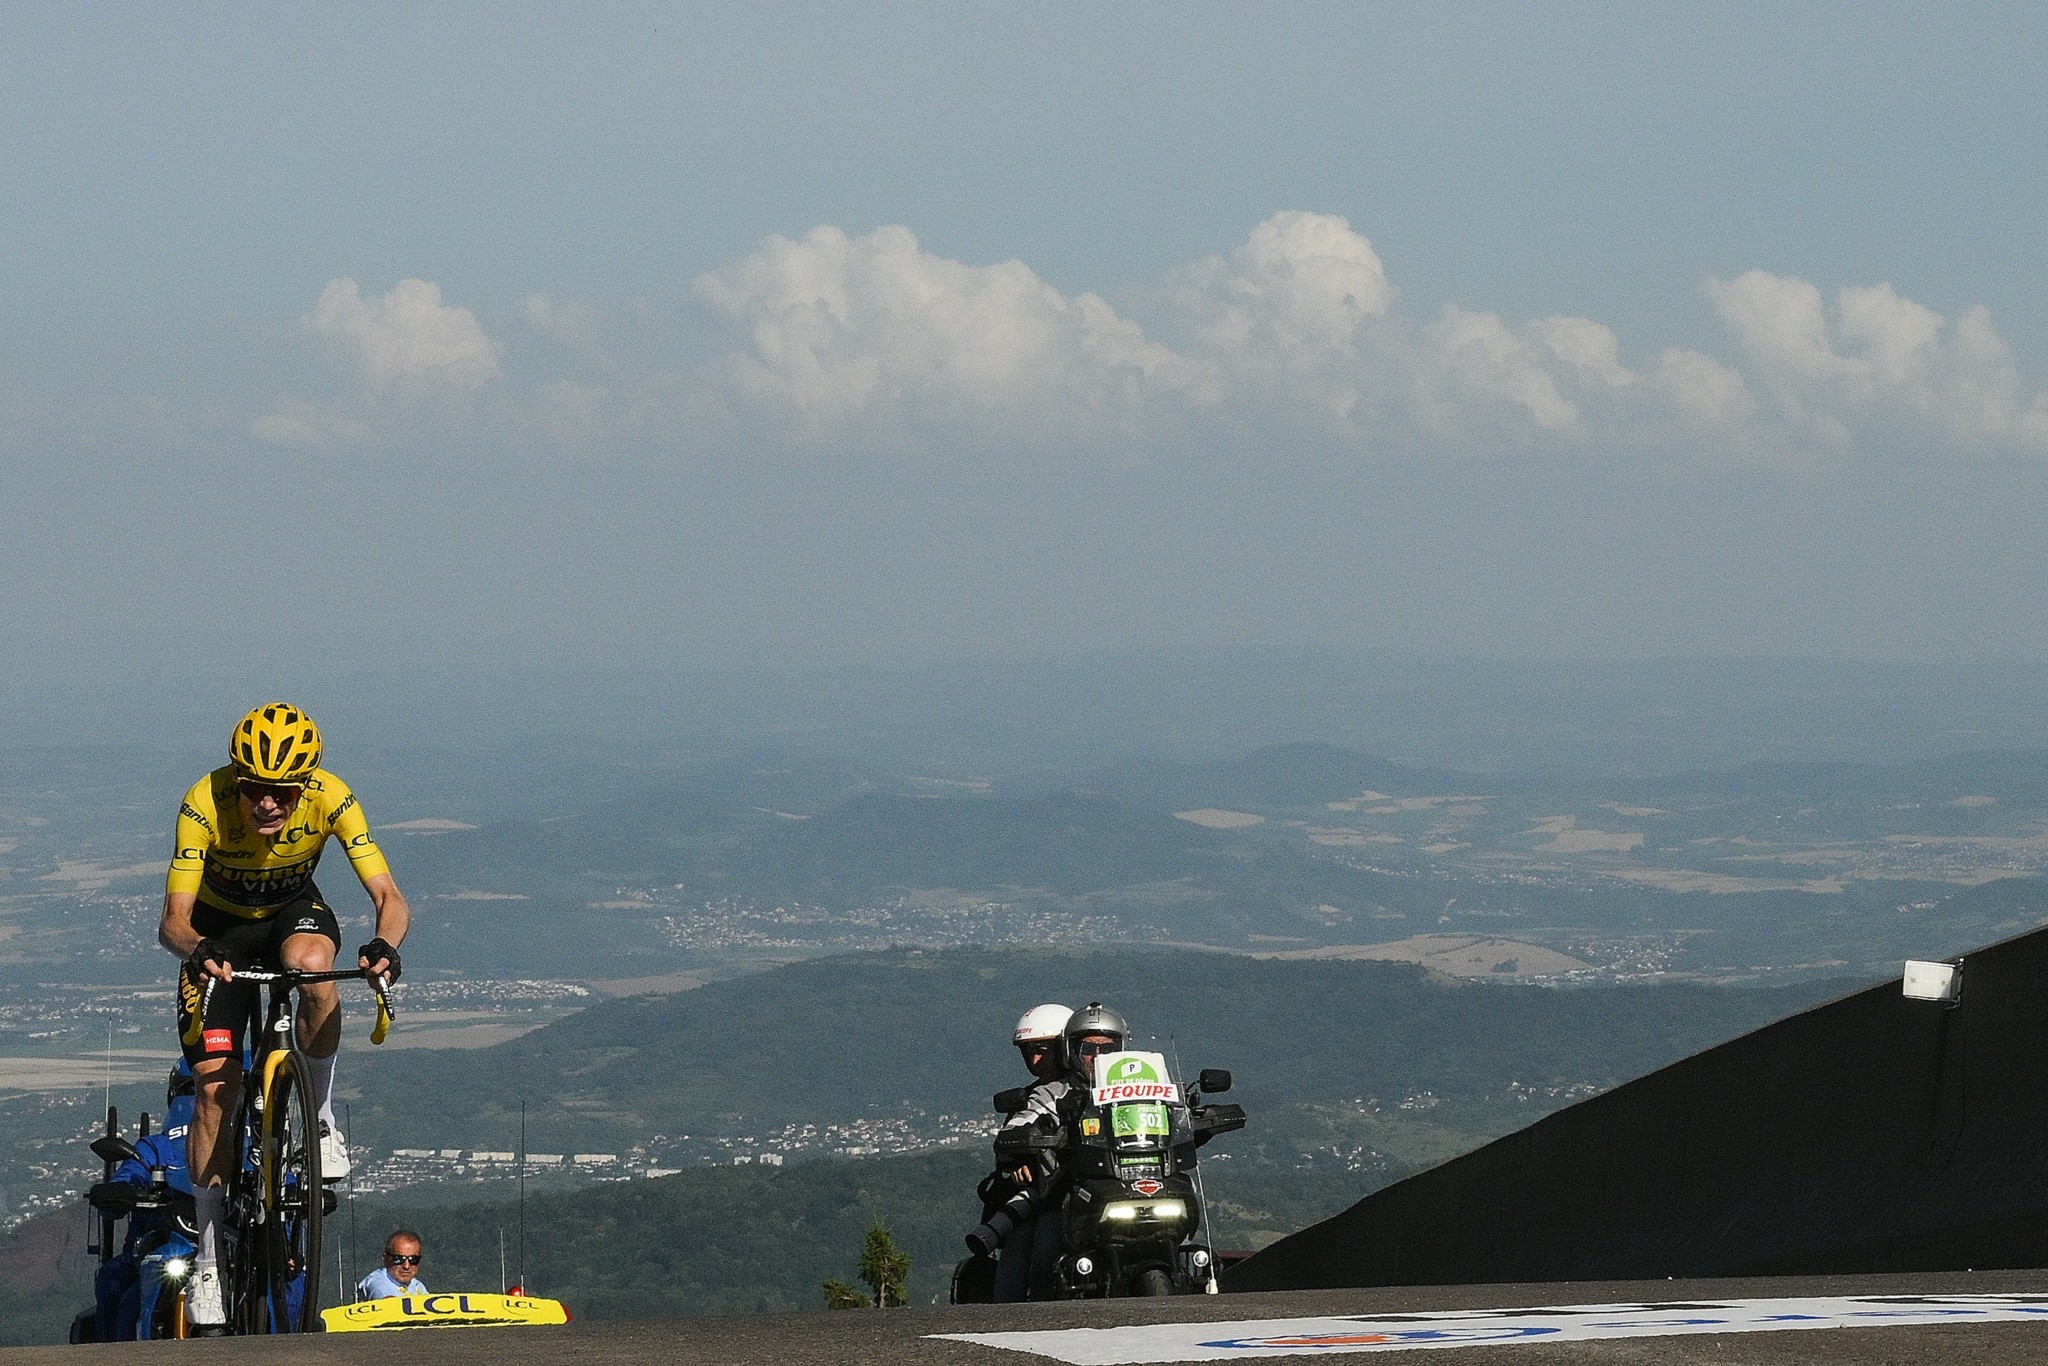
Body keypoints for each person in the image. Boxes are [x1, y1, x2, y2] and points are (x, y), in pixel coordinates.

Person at [159, 702, 411, 1335]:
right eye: (253, 790)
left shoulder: (333, 798)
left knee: (315, 967)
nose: (267, 804)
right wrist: (198, 948)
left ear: (306, 787)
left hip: (292, 911)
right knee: (217, 1088)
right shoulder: (204, 800)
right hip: (217, 933)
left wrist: (385, 945)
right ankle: (211, 1254)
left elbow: (389, 896)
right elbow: (173, 920)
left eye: (283, 793)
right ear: (236, 781)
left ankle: (319, 1118)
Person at [987, 1004, 1070, 1302]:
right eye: (1028, 1051)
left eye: (1042, 1049)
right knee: (1036, 1239)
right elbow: (1014, 1131)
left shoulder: (1110, 1085)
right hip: (1056, 1195)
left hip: (1114, 1181)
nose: (1034, 1059)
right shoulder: (1037, 1096)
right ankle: (1018, 1315)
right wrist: (1018, 1156)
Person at [355, 1230, 429, 1301]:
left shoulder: (417, 1285)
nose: (406, 1266)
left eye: (413, 1259)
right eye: (398, 1259)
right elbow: (388, 1303)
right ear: (385, 1258)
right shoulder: (376, 1282)